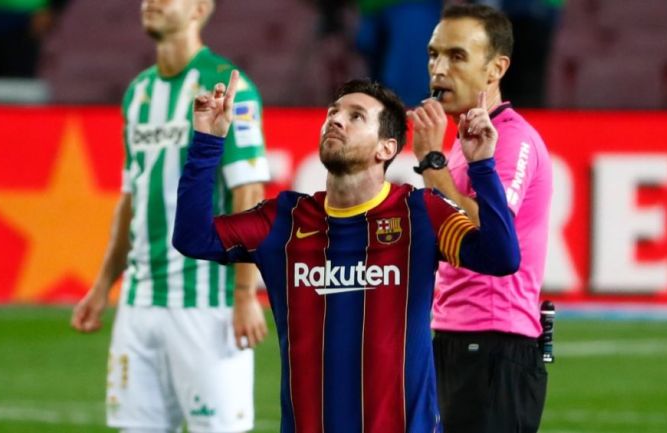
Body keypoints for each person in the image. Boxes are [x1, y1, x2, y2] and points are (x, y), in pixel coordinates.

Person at [173, 71, 521, 432]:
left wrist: (482, 164)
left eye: (356, 116)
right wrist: (208, 141)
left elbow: (501, 257)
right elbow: (193, 237)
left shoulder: (422, 213)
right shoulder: (283, 220)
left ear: (386, 148)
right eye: (333, 112)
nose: (335, 119)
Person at [70, 0, 270, 432]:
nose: (151, 3)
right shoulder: (138, 92)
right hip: (139, 302)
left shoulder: (225, 84)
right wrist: (104, 284)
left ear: (200, 8)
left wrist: (243, 295)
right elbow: (132, 197)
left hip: (207, 304)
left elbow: (248, 190)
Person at [408, 3, 552, 432]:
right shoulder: (463, 140)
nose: (438, 68)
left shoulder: (510, 139)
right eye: (434, 54)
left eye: (456, 56)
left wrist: (431, 166)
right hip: (454, 338)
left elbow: (490, 231)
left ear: (496, 69)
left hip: (494, 342)